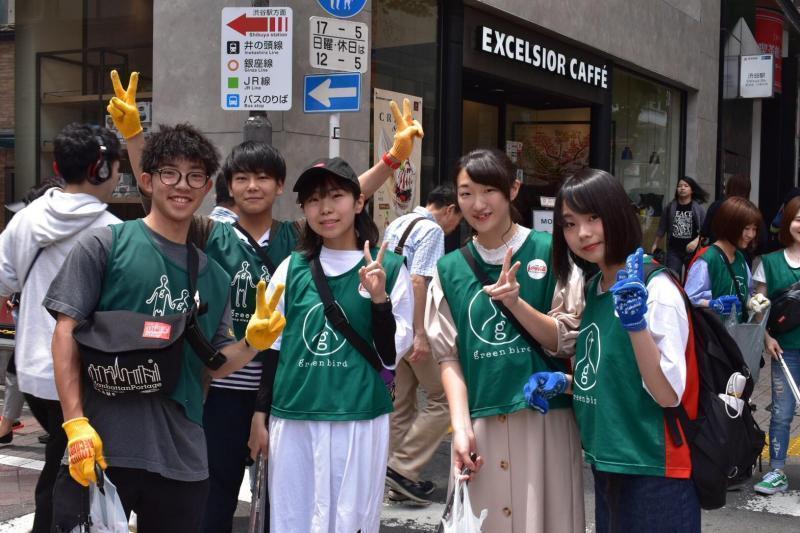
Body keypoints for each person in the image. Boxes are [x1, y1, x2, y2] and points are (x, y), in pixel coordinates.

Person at [106, 70, 423, 532]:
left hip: (281, 390)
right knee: (212, 498)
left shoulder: (297, 238)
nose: (252, 186)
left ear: (279, 187)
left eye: (264, 178)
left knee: (281, 504)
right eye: (241, 178)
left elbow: (343, 199)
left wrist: (393, 159)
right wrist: (134, 137)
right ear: (227, 186)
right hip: (220, 386)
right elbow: (154, 194)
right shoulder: (208, 232)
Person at [45, 123, 286, 532]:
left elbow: (212, 363)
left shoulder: (211, 274)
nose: (182, 185)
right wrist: (74, 423)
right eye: (169, 173)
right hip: (100, 449)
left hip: (182, 457)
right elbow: (65, 332)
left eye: (194, 176)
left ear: (207, 187)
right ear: (147, 179)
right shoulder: (105, 245)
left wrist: (251, 343)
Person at [526, 168, 701, 532]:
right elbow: (614, 374)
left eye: (594, 217)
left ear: (618, 214)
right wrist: (566, 382)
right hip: (609, 464)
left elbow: (669, 394)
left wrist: (636, 324)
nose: (582, 233)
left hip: (652, 470)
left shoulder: (657, 290)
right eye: (570, 224)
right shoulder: (596, 288)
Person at [425, 149, 585, 532]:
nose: (477, 204)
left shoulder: (550, 251)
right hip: (481, 425)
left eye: (489, 190)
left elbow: (566, 340)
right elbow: (448, 358)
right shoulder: (449, 270)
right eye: (466, 193)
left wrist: (516, 303)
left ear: (513, 189)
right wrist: (461, 428)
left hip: (545, 421)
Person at [258, 157, 414, 532]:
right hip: (296, 415)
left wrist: (379, 301)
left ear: (359, 202)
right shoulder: (292, 268)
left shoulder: (389, 268)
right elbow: (273, 350)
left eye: (336, 196)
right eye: (313, 200)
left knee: (352, 519)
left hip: (359, 415)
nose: (325, 208)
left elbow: (390, 354)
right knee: (293, 518)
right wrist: (258, 415)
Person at [0, 123, 123, 533]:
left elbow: (5, 281)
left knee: (61, 459)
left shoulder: (25, 219)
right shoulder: (112, 232)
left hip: (33, 371)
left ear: (57, 166)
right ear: (103, 170)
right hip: (84, 373)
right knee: (69, 469)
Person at [381, 185, 462, 503]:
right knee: (444, 398)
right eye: (458, 217)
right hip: (414, 325)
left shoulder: (398, 222)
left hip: (391, 325)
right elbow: (418, 280)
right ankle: (401, 469)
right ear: (450, 209)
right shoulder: (431, 230)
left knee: (401, 403)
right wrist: (419, 333)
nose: (456, 226)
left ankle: (390, 478)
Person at [752, 195, 800, 495]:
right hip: (784, 351)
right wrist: (766, 338)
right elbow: (759, 307)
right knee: (783, 411)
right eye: (797, 218)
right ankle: (777, 471)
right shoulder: (768, 263)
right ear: (787, 223)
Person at [685, 196, 762, 322]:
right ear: (729, 225)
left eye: (754, 229)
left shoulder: (740, 258)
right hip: (712, 336)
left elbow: (747, 292)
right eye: (747, 228)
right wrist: (712, 304)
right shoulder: (708, 259)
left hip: (735, 334)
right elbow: (689, 297)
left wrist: (754, 302)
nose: (751, 235)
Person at [651, 176, 708, 278]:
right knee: (672, 278)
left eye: (686, 186)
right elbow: (662, 227)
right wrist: (655, 244)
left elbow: (705, 229)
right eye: (679, 186)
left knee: (691, 280)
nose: (682, 188)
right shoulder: (670, 207)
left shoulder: (698, 209)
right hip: (673, 250)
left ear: (692, 190)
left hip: (692, 252)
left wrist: (696, 241)